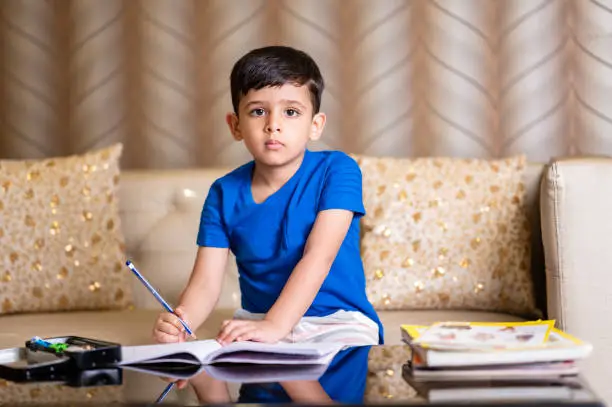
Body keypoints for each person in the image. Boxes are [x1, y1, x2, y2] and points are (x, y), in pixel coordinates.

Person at [152, 45, 383, 361]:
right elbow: (206, 283)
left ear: (315, 124)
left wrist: (277, 325)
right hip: (258, 324)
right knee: (212, 367)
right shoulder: (223, 192)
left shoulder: (338, 170)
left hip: (338, 323)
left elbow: (319, 256)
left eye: (291, 112)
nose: (273, 124)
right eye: (258, 111)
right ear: (235, 126)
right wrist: (181, 320)